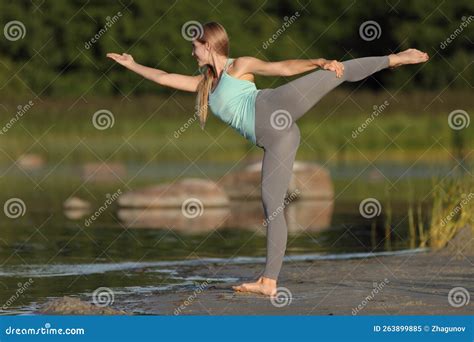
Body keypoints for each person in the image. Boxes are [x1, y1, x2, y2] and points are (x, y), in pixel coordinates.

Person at [107, 21, 429, 297]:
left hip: (275, 106)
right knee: (271, 202)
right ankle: (269, 282)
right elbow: (163, 77)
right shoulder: (204, 84)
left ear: (209, 45)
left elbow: (282, 68)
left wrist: (316, 61)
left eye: (195, 47)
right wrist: (132, 64)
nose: (192, 53)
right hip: (278, 138)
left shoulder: (238, 66)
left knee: (335, 72)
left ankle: (393, 59)